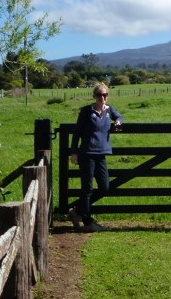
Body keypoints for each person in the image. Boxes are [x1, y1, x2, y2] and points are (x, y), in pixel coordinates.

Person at [69, 83, 123, 232]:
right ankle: (87, 222)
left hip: (102, 154)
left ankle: (77, 211)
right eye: (99, 95)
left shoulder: (109, 110)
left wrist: (118, 121)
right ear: (94, 96)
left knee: (104, 187)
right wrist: (74, 152)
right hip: (87, 154)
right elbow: (77, 132)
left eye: (105, 95)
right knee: (87, 188)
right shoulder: (86, 111)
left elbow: (119, 116)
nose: (102, 98)